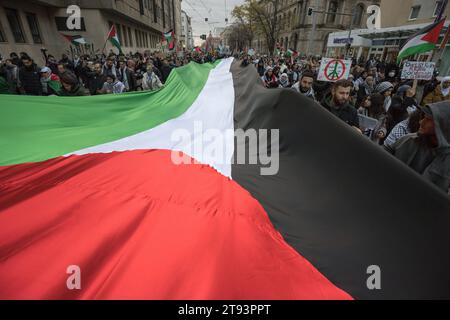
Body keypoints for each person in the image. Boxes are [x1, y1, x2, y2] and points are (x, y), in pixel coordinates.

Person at [385, 101, 450, 193]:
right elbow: (383, 153)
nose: (420, 122)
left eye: (427, 119)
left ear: (443, 125)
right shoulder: (410, 140)